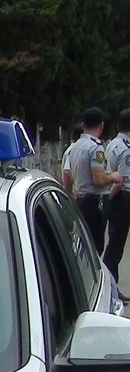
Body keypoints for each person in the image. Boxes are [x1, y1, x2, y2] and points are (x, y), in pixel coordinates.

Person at [68, 107, 123, 254]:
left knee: (83, 245)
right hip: (94, 203)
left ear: (83, 124)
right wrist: (114, 177)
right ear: (101, 125)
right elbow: (98, 179)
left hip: (80, 198)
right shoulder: (95, 148)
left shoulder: (75, 146)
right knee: (95, 248)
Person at [104, 109, 130, 289]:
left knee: (115, 242)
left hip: (116, 198)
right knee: (116, 245)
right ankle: (110, 285)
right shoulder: (125, 149)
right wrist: (110, 200)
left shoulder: (112, 144)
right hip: (122, 198)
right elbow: (121, 180)